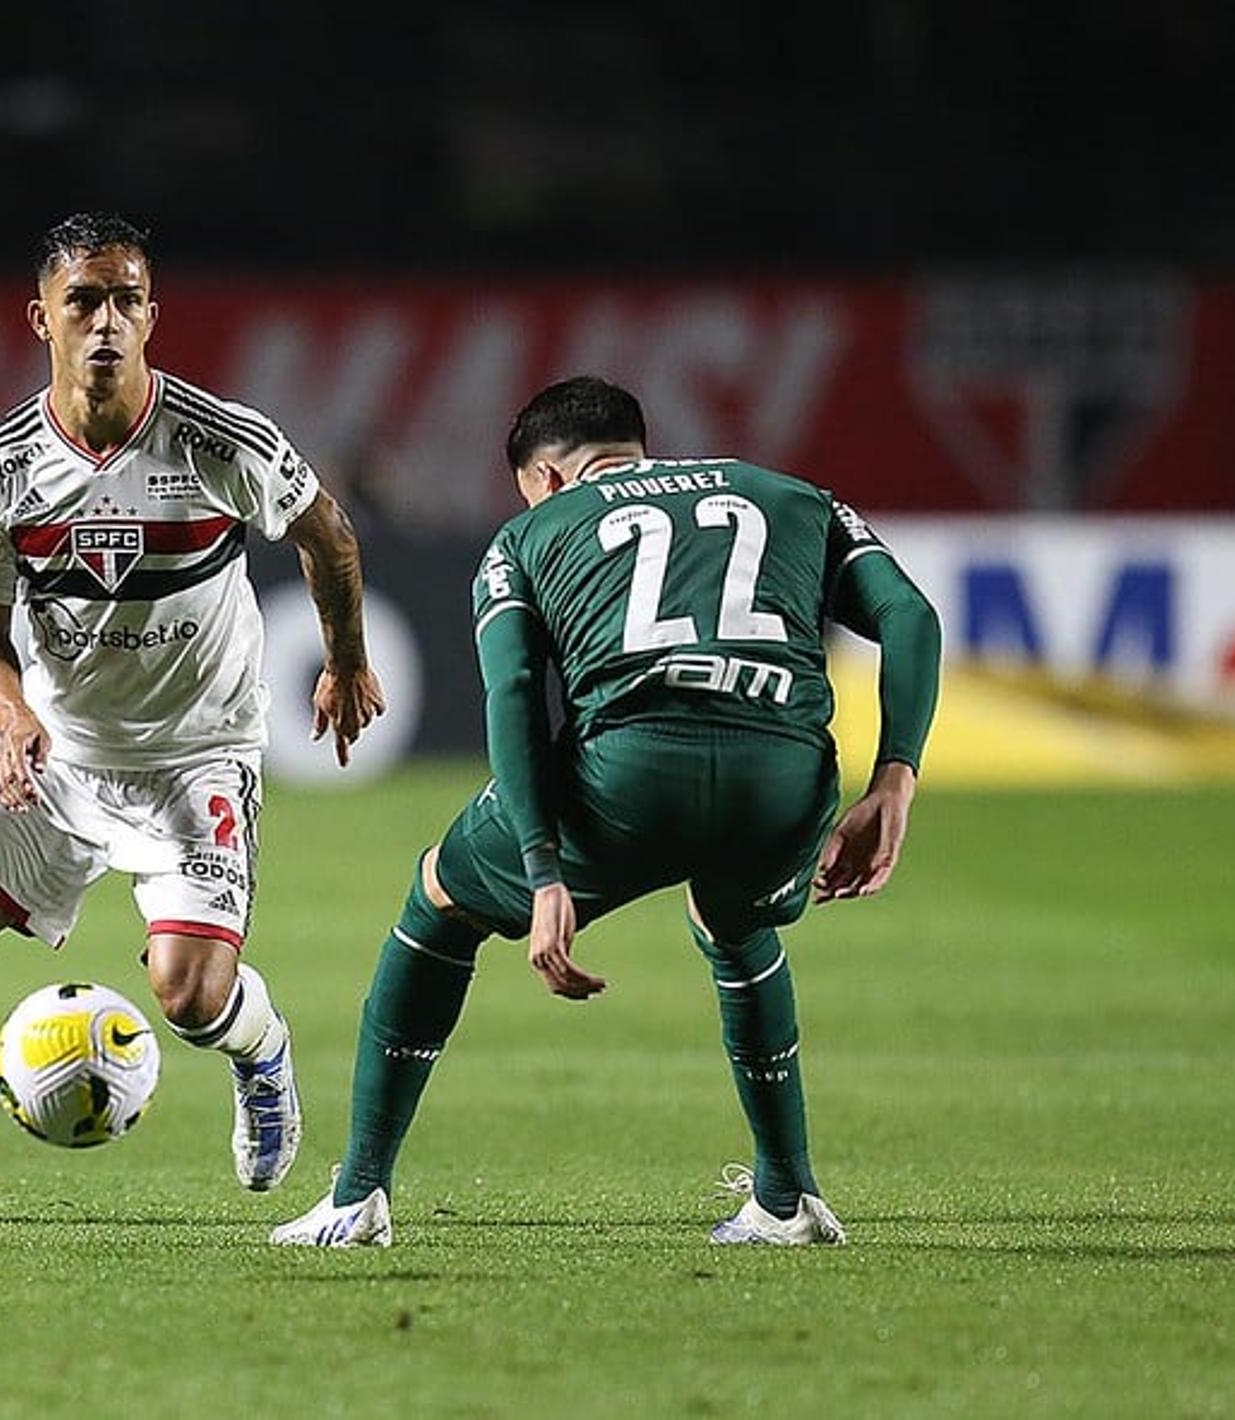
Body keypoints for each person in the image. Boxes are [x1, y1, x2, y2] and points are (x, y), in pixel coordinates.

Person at [0, 213, 385, 1222]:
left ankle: (260, 1050)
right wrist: (11, 718)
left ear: (152, 314)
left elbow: (329, 534)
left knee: (189, 998)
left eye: (127, 300)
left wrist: (347, 660)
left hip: (196, 761)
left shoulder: (222, 440)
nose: (107, 322)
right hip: (56, 761)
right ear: (40, 318)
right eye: (84, 301)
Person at [271, 376, 940, 1248]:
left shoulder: (528, 535)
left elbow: (513, 695)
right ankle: (786, 1196)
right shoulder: (787, 495)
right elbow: (910, 615)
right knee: (732, 920)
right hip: (783, 775)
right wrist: (894, 781)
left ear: (546, 479)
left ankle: (357, 1195)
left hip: (630, 775)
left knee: (439, 901)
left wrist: (545, 873)